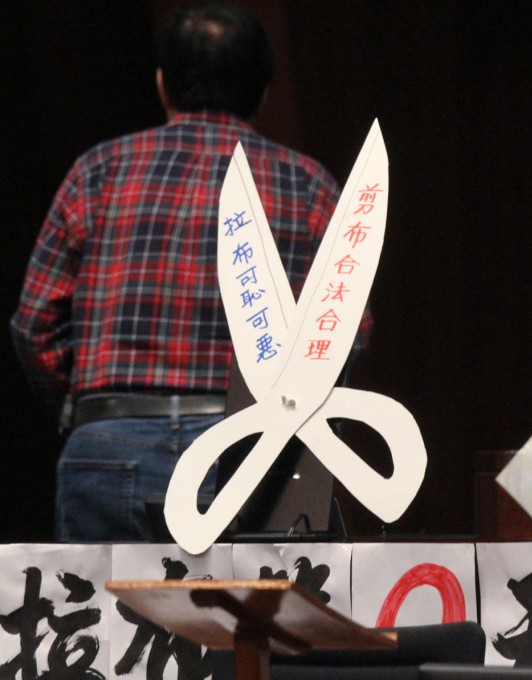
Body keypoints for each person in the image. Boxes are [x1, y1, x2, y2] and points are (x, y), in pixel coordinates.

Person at [9, 3, 368, 542]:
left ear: (162, 83)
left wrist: (91, 406)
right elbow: (345, 335)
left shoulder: (98, 172)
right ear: (262, 90)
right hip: (251, 448)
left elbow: (35, 324)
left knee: (107, 626)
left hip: (111, 445)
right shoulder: (310, 185)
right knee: (244, 627)